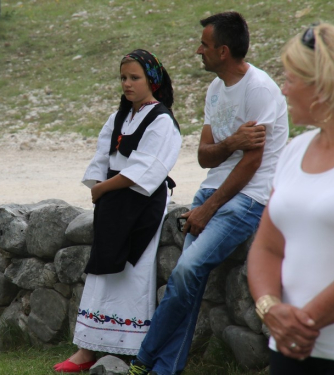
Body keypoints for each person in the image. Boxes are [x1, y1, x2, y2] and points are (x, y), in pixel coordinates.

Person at [127, 12, 289, 375]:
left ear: (224, 51)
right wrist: (231, 142)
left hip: (247, 199)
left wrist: (207, 210)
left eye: (204, 44)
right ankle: (166, 369)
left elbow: (251, 165)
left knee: (186, 271)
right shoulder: (215, 89)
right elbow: (203, 156)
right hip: (212, 191)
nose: (197, 50)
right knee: (188, 280)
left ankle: (143, 358)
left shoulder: (259, 89)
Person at [53, 49, 182, 373]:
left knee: (132, 271)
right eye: (123, 78)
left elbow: (147, 170)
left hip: (141, 204)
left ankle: (128, 347)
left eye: (134, 77)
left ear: (151, 79)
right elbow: (102, 158)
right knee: (102, 269)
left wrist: (103, 189)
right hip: (113, 203)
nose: (127, 84)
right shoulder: (119, 118)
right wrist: (101, 189)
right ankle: (87, 349)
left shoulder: (162, 121)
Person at [247, 23, 334, 375]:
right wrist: (271, 310)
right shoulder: (293, 151)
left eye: (290, 80)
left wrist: (302, 322)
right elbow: (267, 246)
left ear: (321, 86)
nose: (282, 90)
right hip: (289, 350)